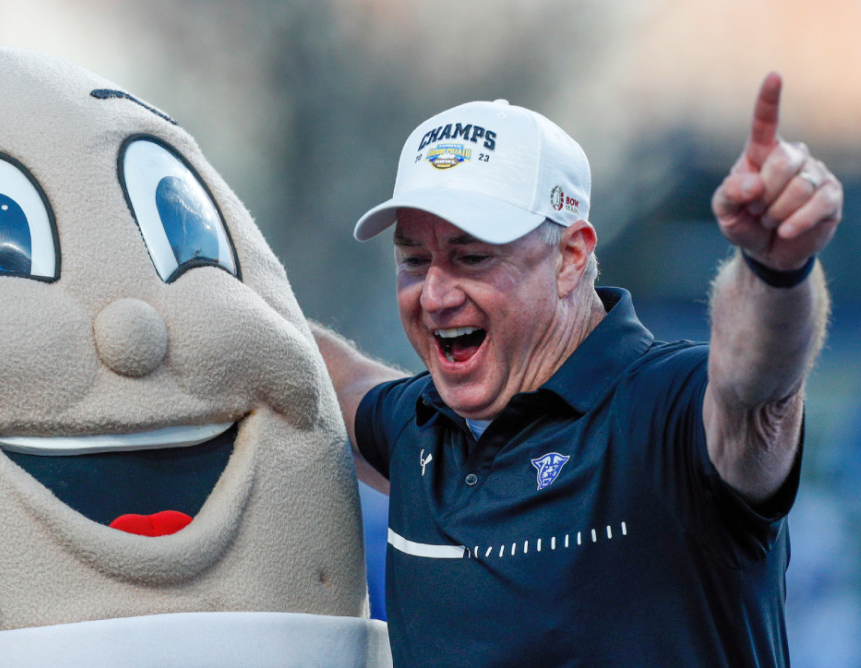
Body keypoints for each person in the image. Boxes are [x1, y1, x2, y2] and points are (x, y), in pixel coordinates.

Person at [312, 72, 841, 666]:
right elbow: (326, 373)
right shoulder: (419, 425)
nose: (434, 295)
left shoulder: (664, 409)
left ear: (570, 256)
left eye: (472, 257)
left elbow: (757, 385)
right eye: (414, 260)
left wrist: (775, 270)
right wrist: (225, 269)